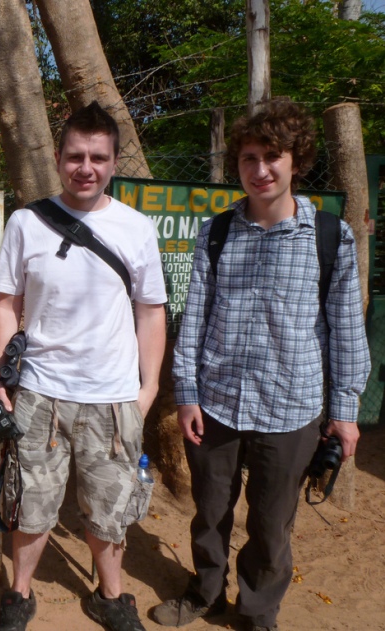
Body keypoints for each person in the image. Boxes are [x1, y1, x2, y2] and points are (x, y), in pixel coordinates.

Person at [150, 100, 371, 631]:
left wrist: (344, 412)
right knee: (210, 515)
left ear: (297, 161)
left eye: (273, 156)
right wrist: (186, 395)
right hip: (217, 403)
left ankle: (255, 611)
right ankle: (204, 592)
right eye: (249, 157)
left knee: (272, 525)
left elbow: (346, 331)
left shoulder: (328, 238)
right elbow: (194, 320)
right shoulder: (216, 233)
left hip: (292, 408)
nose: (261, 169)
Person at [0, 101, 168, 631]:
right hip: (40, 392)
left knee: (110, 508)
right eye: (75, 156)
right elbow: (5, 305)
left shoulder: (136, 228)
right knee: (32, 501)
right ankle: (19, 594)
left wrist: (148, 389)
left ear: (113, 163)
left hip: (112, 398)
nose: (85, 167)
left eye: (98, 157)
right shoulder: (26, 222)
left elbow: (151, 313)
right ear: (59, 159)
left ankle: (110, 595)